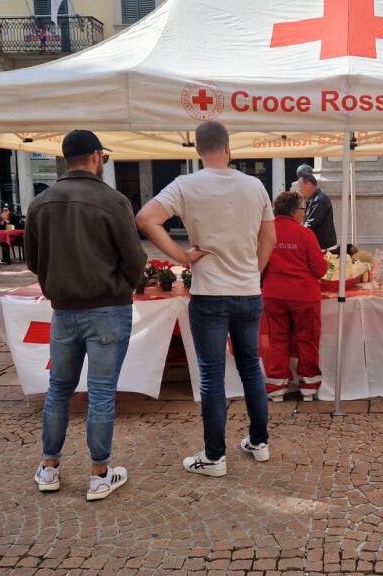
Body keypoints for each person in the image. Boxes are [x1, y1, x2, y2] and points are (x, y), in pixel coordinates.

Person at [137, 121, 276, 478]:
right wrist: (254, 274)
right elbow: (269, 240)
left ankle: (215, 457)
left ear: (197, 151)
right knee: (251, 367)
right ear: (229, 147)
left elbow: (146, 219)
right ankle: (259, 443)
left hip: (210, 293)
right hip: (247, 291)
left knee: (212, 376)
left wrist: (181, 256)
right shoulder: (255, 185)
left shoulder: (186, 185)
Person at [25, 130, 147, 500]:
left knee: (59, 389)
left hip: (64, 309)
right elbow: (134, 257)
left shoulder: (41, 203)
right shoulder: (112, 201)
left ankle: (49, 468)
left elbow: (33, 260)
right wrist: (123, 285)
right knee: (101, 391)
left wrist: (53, 282)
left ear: (66, 160)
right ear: (96, 157)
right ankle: (99, 474)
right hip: (107, 306)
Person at [262, 191, 328, 402]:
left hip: (273, 293)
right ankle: (308, 387)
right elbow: (320, 269)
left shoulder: (265, 233)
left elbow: (259, 265)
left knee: (277, 339)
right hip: (303, 294)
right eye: (302, 209)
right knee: (307, 339)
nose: (304, 213)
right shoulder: (305, 234)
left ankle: (276, 387)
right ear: (293, 211)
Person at [298, 172, 337, 250]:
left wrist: (295, 233)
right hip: (320, 245)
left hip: (323, 246)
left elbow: (310, 224)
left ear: (308, 184)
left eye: (301, 187)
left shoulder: (319, 200)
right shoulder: (314, 199)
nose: (300, 190)